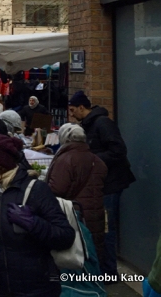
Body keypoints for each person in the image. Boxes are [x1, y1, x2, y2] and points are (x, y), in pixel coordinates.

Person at [0, 134, 75, 297]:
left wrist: (34, 224)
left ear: (0, 163)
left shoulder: (37, 190)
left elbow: (65, 236)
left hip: (36, 290)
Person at [68, 90, 136, 277]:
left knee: (106, 226)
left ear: (82, 107)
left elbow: (118, 150)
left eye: (73, 110)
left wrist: (90, 159)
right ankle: (103, 267)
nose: (71, 114)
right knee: (102, 225)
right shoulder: (89, 124)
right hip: (101, 183)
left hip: (111, 183)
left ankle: (108, 271)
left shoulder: (102, 123)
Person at [46, 123, 108, 265]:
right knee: (92, 249)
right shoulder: (95, 159)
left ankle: (78, 283)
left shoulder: (65, 159)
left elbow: (57, 189)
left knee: (77, 251)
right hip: (95, 211)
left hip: (74, 212)